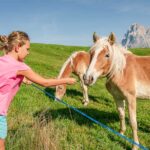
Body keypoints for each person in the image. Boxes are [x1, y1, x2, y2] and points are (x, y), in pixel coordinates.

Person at [0, 31, 76, 150]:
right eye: (27, 49)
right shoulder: (20, 66)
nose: (28, 53)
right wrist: (65, 80)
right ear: (17, 47)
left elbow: (6, 76)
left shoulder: (3, 60)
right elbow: (44, 82)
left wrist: (22, 79)